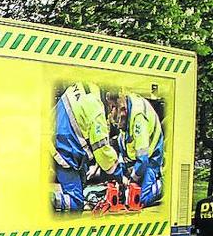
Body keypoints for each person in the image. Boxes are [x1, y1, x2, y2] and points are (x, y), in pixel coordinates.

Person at [51, 83, 121, 212]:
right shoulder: (96, 109)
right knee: (76, 203)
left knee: (82, 179)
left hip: (53, 136)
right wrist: (119, 175)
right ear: (108, 98)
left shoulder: (85, 87)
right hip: (63, 151)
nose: (113, 112)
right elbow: (103, 151)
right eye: (113, 107)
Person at [108, 91, 165, 208]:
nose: (111, 112)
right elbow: (123, 153)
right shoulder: (124, 117)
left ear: (121, 109)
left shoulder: (138, 117)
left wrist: (132, 180)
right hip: (136, 159)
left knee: (139, 200)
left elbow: (143, 158)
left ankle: (164, 185)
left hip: (151, 158)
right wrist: (123, 178)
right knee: (127, 196)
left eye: (113, 107)